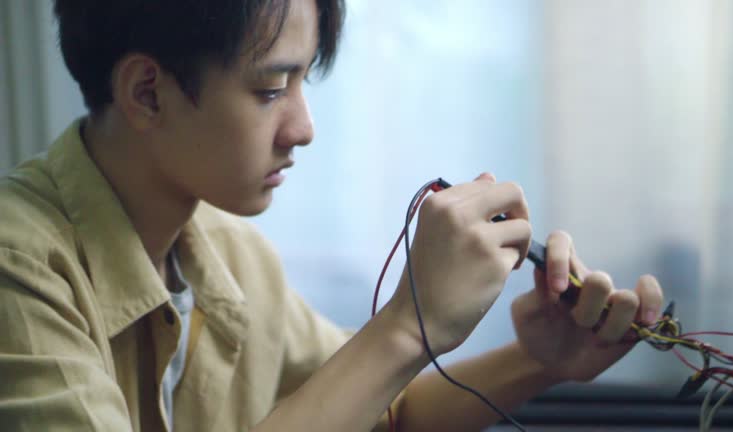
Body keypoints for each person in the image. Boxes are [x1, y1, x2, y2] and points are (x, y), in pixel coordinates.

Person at [0, 0, 665, 431]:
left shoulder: (231, 255)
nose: (304, 127)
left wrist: (540, 360)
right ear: (147, 91)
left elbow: (386, 411)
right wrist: (408, 323)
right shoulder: (18, 264)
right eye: (268, 90)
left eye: (302, 83)